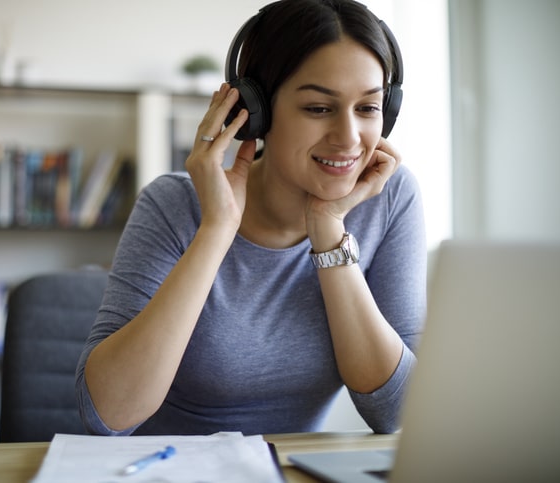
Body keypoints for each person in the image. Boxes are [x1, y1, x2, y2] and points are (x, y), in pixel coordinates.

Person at [75, 0, 427, 436]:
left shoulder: (389, 198)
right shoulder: (173, 205)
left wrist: (329, 231)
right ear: (255, 112)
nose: (349, 138)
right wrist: (217, 229)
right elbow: (107, 414)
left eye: (368, 108)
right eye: (319, 108)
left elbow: (398, 414)